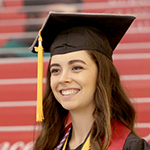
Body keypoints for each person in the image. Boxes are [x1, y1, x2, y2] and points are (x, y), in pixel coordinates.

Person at [30, 12, 150, 150]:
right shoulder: (50, 145)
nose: (63, 79)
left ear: (102, 75)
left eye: (76, 67)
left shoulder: (129, 147)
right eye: (56, 70)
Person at [1, 0, 82, 57]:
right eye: (57, 15)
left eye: (72, 15)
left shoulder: (83, 50)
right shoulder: (11, 52)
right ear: (32, 17)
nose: (66, 21)